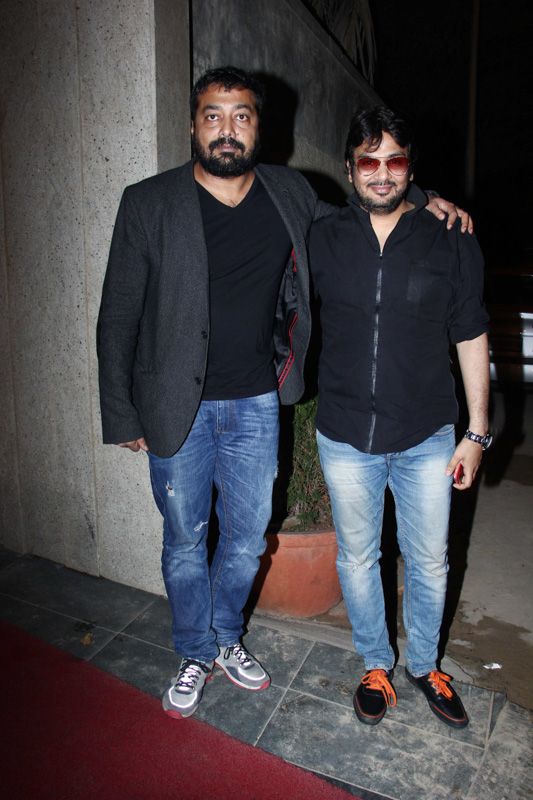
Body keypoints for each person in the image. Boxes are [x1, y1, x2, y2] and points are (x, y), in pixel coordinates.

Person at [97, 67, 469, 720]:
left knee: (246, 541)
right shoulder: (147, 202)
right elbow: (117, 314)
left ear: (258, 127)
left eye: (240, 116)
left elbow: (368, 208)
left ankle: (226, 636)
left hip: (256, 403)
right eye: (213, 116)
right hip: (174, 408)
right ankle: (193, 651)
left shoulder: (288, 193)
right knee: (184, 542)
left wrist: (427, 196)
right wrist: (122, 413)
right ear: (193, 125)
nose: (227, 129)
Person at [309, 106, 490, 729]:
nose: (382, 173)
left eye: (395, 160)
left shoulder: (450, 237)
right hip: (345, 433)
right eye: (369, 160)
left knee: (430, 561)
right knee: (358, 558)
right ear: (349, 168)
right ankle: (375, 664)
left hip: (427, 435)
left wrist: (477, 431)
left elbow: (471, 332)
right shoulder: (323, 236)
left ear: (411, 168)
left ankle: (425, 665)